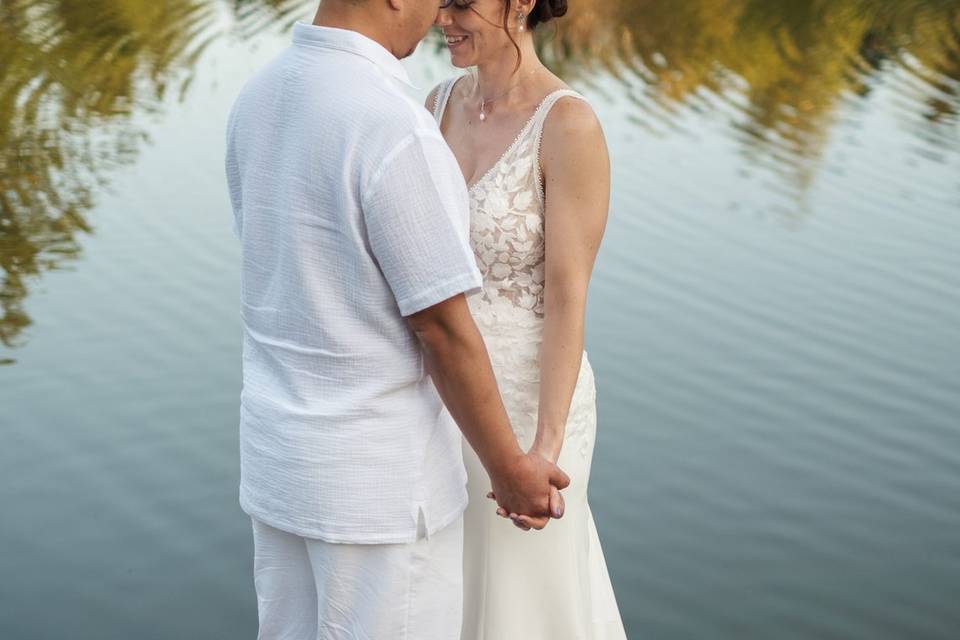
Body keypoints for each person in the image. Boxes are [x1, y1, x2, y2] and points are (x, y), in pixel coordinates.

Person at [224, 0, 570, 637]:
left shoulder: (259, 95)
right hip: (377, 491)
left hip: (279, 466)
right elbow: (440, 326)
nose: (439, 9)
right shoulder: (393, 126)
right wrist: (508, 469)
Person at [427, 0, 627, 637]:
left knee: (521, 606)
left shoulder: (568, 126)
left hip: (526, 404)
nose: (442, 18)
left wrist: (544, 446)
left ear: (518, 3)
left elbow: (569, 299)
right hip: (434, 398)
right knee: (439, 596)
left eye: (461, 3)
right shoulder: (433, 105)